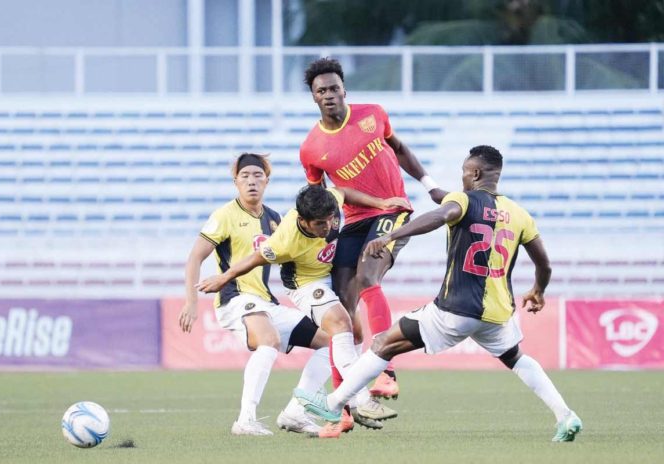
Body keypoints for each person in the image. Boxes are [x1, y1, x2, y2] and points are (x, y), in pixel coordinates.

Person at [295, 145, 583, 442]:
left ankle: (332, 404)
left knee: (383, 343)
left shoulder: (462, 201)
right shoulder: (519, 214)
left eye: (463, 173)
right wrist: (538, 291)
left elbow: (442, 214)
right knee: (517, 358)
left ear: (475, 173)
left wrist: (391, 235)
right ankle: (565, 415)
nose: (462, 178)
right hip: (498, 314)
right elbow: (544, 264)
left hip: (455, 310)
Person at [198, 185, 406, 438]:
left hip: (330, 276)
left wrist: (381, 203)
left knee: (352, 337)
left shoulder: (328, 203)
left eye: (331, 220)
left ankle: (295, 412)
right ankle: (361, 399)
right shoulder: (284, 241)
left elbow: (342, 191)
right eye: (320, 224)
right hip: (305, 285)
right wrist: (225, 277)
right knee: (340, 325)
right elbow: (254, 259)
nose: (328, 227)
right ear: (302, 221)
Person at [299, 57, 445, 400]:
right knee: (340, 306)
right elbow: (320, 196)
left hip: (392, 210)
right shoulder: (310, 149)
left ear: (344, 89)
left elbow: (400, 150)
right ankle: (344, 402)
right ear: (314, 98)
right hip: (352, 219)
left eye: (335, 88)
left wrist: (431, 186)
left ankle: (386, 372)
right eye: (322, 91)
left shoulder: (373, 114)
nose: (330, 94)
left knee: (367, 276)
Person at [178, 153, 332, 437]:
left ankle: (296, 412)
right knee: (269, 341)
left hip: (265, 302)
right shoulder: (224, 216)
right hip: (235, 299)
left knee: (330, 343)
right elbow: (195, 258)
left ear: (267, 181)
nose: (251, 181)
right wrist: (191, 302)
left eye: (257, 176)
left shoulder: (276, 220)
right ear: (235, 181)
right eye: (245, 176)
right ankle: (245, 420)